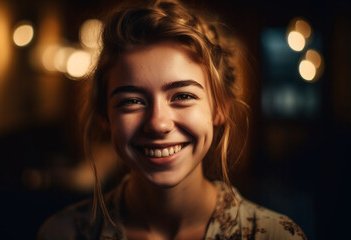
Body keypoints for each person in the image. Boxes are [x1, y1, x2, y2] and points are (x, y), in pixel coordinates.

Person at [38, 0, 307, 239]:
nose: (158, 123)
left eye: (182, 96)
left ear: (220, 107)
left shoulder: (276, 236)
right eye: (132, 101)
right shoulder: (62, 233)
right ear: (104, 117)